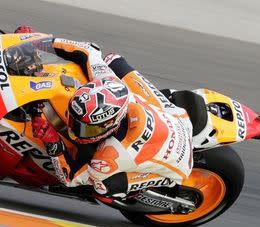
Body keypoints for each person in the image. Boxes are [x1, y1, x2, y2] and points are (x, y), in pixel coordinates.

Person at [15, 26, 194, 197]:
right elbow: (87, 50)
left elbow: (70, 178)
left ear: (111, 125)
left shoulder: (107, 157)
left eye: (87, 128)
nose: (74, 129)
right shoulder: (108, 81)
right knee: (113, 60)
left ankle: (155, 185)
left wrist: (51, 139)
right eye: (74, 120)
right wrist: (36, 42)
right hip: (176, 116)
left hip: (178, 163)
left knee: (103, 187)